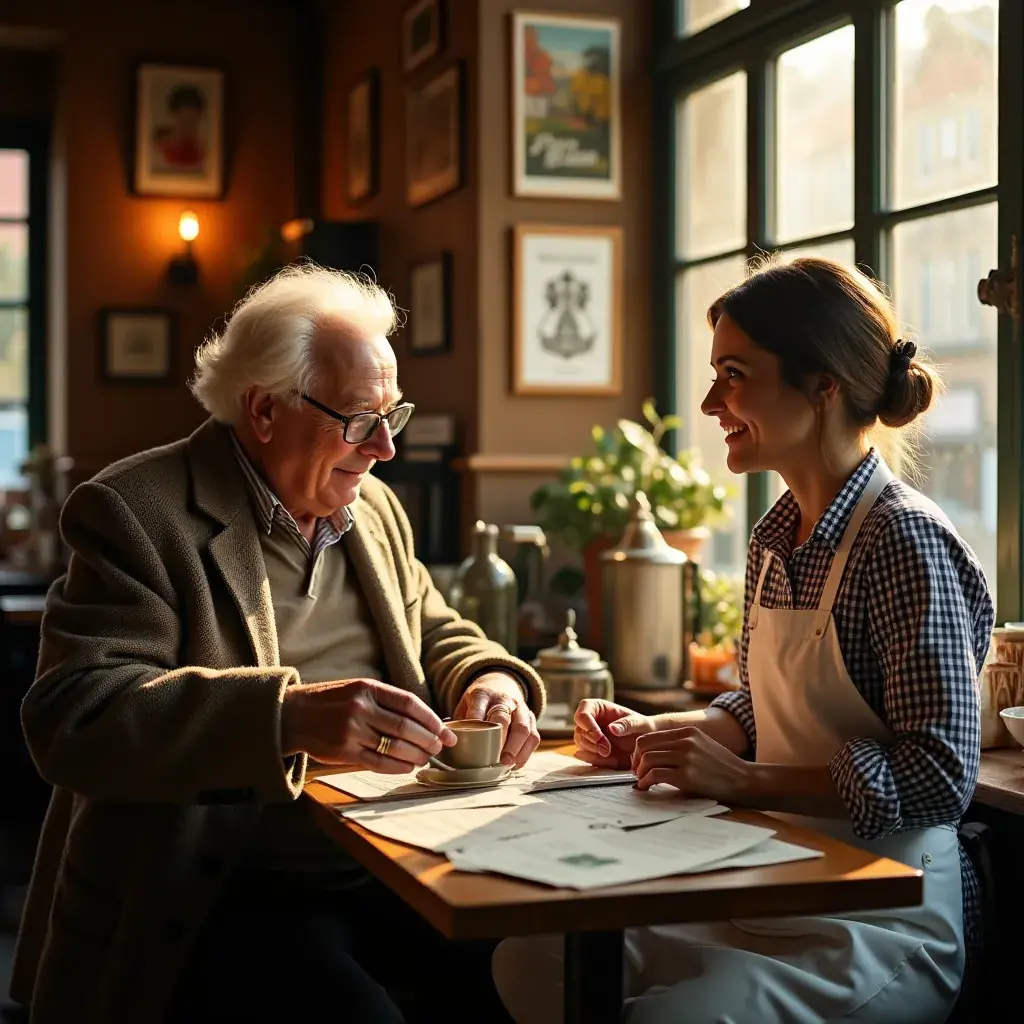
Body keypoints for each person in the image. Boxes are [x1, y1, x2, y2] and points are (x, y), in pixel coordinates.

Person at [11, 265, 545, 1023]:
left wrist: (488, 677)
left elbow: (433, 627)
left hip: (394, 863)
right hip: (221, 885)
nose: (385, 448)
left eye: (393, 415)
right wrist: (287, 717)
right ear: (265, 410)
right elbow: (76, 717)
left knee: (525, 980)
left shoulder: (374, 507)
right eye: (359, 420)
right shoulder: (135, 512)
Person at [493, 256, 993, 1023]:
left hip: (874, 918)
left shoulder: (904, 541)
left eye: (734, 375)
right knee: (531, 958)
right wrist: (660, 735)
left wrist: (744, 782)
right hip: (766, 882)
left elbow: (939, 775)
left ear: (822, 386)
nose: (708, 402)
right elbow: (764, 709)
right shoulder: (773, 536)